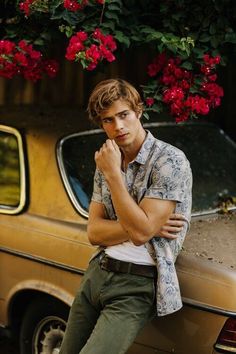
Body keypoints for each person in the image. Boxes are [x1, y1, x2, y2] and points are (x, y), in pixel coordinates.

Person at [59, 79, 192, 354]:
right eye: (108, 120)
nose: (118, 126)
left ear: (138, 111)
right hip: (98, 272)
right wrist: (144, 224)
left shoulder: (170, 161)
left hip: (136, 285)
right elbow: (94, 233)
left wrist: (114, 177)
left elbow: (141, 234)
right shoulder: (108, 158)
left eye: (124, 115)